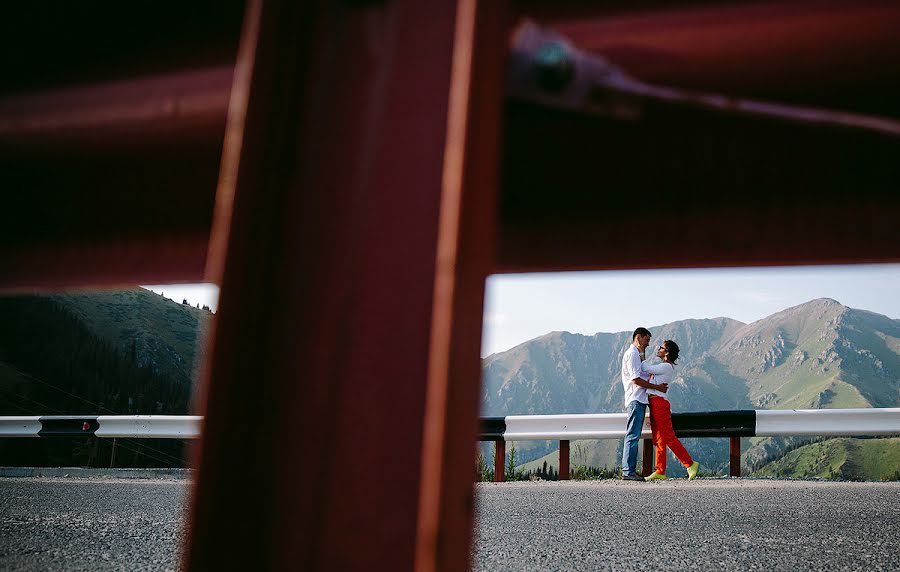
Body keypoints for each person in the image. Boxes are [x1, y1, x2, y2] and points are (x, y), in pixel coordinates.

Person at [641, 340, 700, 481]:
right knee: (660, 438)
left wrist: (641, 353)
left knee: (668, 436)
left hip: (659, 403)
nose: (658, 349)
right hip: (654, 403)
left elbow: (646, 368)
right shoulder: (664, 366)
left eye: (661, 347)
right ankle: (660, 470)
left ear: (666, 352)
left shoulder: (666, 366)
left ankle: (690, 464)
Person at [620, 327, 665, 480]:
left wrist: (643, 352)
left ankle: (629, 470)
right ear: (638, 337)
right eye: (646, 340)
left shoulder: (637, 354)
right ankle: (628, 471)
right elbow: (636, 379)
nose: (648, 344)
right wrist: (657, 387)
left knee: (634, 434)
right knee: (632, 435)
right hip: (636, 398)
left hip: (639, 399)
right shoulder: (632, 354)